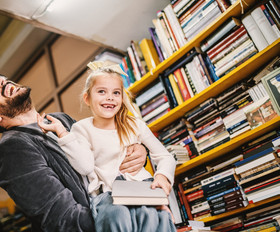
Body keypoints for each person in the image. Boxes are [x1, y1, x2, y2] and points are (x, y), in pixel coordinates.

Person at [0, 74, 148, 231]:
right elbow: (63, 219)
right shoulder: (12, 149)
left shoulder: (61, 120)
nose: (1, 81)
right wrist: (121, 218)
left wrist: (138, 151)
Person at [37, 61, 177, 232]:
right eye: (102, 91)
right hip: (108, 194)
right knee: (116, 215)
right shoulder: (81, 128)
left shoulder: (134, 125)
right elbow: (85, 166)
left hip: (142, 188)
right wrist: (62, 133)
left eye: (116, 93)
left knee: (156, 218)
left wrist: (163, 176)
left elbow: (165, 156)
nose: (110, 97)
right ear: (87, 98)